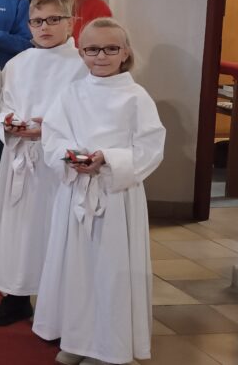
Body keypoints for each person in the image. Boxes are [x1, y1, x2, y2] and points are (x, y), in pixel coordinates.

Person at [33, 18, 165, 365]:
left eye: (110, 48)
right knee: (76, 269)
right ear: (81, 53)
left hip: (116, 196)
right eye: (92, 49)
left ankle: (110, 347)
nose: (101, 56)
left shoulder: (136, 97)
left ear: (125, 53)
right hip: (77, 191)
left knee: (110, 270)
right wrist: (70, 156)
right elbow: (53, 136)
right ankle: (78, 339)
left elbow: (150, 147)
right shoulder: (72, 93)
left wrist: (108, 159)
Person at [0, 0, 87, 327]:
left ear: (70, 22)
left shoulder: (82, 66)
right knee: (20, 230)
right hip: (21, 158)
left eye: (53, 19)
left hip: (58, 165)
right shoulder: (18, 64)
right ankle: (17, 297)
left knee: (55, 230)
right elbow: (0, 106)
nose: (44, 27)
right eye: (37, 21)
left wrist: (47, 130)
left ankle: (60, 305)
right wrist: (6, 123)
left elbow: (86, 114)